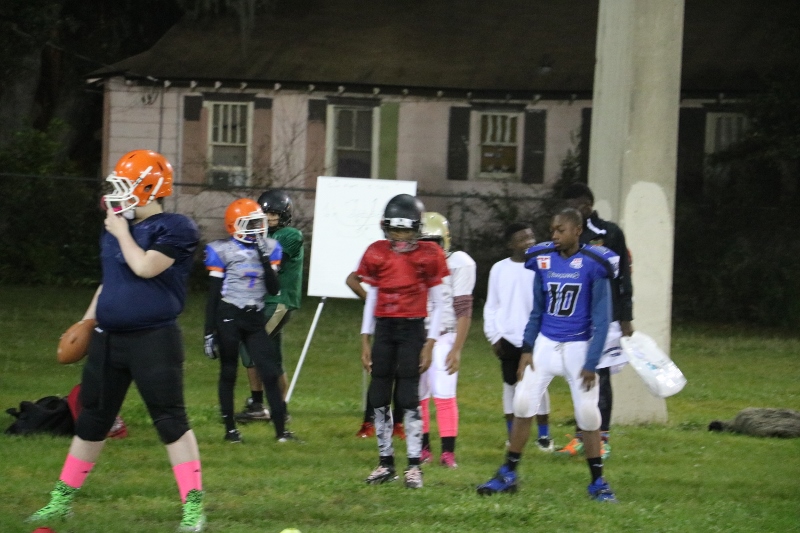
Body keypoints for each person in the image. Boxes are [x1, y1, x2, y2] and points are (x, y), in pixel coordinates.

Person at [28, 150, 207, 531]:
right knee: (92, 419)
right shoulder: (116, 227)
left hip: (153, 339)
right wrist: (86, 320)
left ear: (148, 188)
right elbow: (110, 282)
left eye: (123, 185)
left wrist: (123, 233)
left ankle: (193, 507)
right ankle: (60, 501)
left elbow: (145, 267)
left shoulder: (175, 227)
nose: (114, 193)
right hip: (109, 338)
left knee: (170, 420)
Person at [477, 208, 620, 502]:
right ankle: (508, 473)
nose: (554, 235)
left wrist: (592, 362)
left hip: (578, 347)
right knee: (522, 403)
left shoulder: (594, 263)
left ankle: (598, 482)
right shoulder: (543, 260)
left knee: (588, 414)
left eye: (560, 230)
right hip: (545, 343)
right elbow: (537, 311)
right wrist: (527, 348)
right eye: (552, 229)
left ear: (577, 231)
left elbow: (602, 319)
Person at [349, 194, 448, 489]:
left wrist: (430, 343)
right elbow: (373, 297)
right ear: (385, 227)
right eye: (395, 230)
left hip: (412, 328)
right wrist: (365, 338)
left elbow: (439, 302)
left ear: (417, 229)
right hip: (385, 328)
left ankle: (414, 465)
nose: (400, 238)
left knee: (408, 397)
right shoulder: (376, 252)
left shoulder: (429, 254)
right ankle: (386, 463)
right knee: (378, 395)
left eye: (405, 231)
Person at [204, 198, 297, 443]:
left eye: (259, 222)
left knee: (270, 372)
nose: (258, 228)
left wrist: (264, 257)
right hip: (229, 314)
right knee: (229, 372)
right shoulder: (221, 250)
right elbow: (213, 295)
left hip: (254, 316)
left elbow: (274, 288)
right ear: (235, 225)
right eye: (251, 223)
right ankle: (230, 431)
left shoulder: (270, 247)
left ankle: (281, 432)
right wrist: (208, 331)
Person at [556, 182, 633, 459]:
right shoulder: (565, 235)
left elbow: (623, 276)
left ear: (587, 205)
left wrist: (625, 316)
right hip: (577, 318)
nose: (568, 212)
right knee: (579, 374)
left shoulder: (609, 233)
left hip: (605, 317)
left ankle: (603, 439)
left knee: (602, 375)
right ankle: (581, 436)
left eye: (573, 206)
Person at [236, 190, 304, 425]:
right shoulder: (260, 234)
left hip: (279, 301)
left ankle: (258, 405)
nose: (270, 217)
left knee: (251, 343)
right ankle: (279, 409)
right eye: (265, 213)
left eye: (274, 213)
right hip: (263, 301)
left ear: (284, 215)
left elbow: (270, 261)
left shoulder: (291, 235)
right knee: (272, 357)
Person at [483, 222, 553, 452]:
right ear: (510, 245)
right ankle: (512, 436)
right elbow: (491, 305)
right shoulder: (499, 269)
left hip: (536, 338)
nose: (529, 242)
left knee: (539, 385)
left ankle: (544, 436)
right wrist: (494, 336)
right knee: (510, 386)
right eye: (522, 239)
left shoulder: (542, 266)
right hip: (508, 338)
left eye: (531, 237)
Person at [415, 212, 475, 468]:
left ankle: (448, 452)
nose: (430, 248)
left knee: (444, 393)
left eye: (434, 242)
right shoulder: (412, 262)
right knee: (418, 395)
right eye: (425, 242)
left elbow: (463, 308)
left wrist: (457, 348)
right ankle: (423, 448)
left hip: (444, 334)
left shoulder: (459, 263)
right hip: (417, 334)